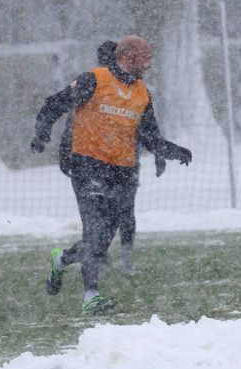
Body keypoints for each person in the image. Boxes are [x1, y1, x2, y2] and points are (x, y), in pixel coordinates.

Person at [31, 35, 193, 314]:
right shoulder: (94, 79)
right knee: (94, 231)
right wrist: (41, 133)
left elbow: (150, 135)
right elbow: (55, 103)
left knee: (104, 238)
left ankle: (62, 259)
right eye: (145, 58)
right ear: (129, 57)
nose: (149, 64)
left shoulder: (142, 93)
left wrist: (172, 151)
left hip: (122, 171)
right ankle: (91, 296)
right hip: (88, 165)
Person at [58, 40, 167, 273]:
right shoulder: (96, 84)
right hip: (95, 163)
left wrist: (158, 151)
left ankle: (119, 260)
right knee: (100, 217)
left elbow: (148, 127)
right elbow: (73, 122)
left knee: (122, 214)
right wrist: (67, 151)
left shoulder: (136, 89)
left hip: (124, 162)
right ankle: (95, 258)